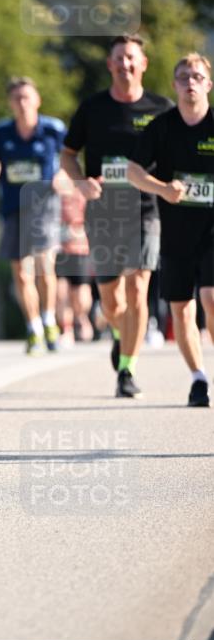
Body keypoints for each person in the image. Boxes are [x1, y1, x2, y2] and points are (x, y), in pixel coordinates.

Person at [61, 35, 173, 398]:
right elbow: (67, 154)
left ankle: (127, 369)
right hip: (104, 211)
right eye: (119, 59)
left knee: (138, 288)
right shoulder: (93, 108)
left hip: (146, 209)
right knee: (111, 301)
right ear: (110, 65)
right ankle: (120, 333)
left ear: (143, 64)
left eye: (131, 58)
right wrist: (81, 184)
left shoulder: (161, 108)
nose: (125, 64)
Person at [128, 53, 214, 407]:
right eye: (183, 77)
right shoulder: (161, 127)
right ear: (175, 85)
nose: (190, 82)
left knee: (211, 297)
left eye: (196, 76)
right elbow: (133, 171)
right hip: (176, 233)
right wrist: (163, 188)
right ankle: (198, 378)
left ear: (208, 84)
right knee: (182, 309)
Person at [0, 76, 67, 354]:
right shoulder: (1, 132)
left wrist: (63, 177)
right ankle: (34, 328)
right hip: (13, 208)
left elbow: (71, 161)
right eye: (17, 98)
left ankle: (49, 318)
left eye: (27, 97)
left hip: (44, 207)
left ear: (37, 100)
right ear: (11, 104)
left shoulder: (53, 129)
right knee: (20, 272)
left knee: (43, 264)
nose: (22, 103)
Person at [55, 183, 94, 344]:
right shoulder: (54, 191)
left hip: (80, 250)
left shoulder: (84, 191)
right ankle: (67, 328)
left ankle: (81, 318)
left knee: (80, 295)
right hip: (59, 250)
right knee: (60, 292)